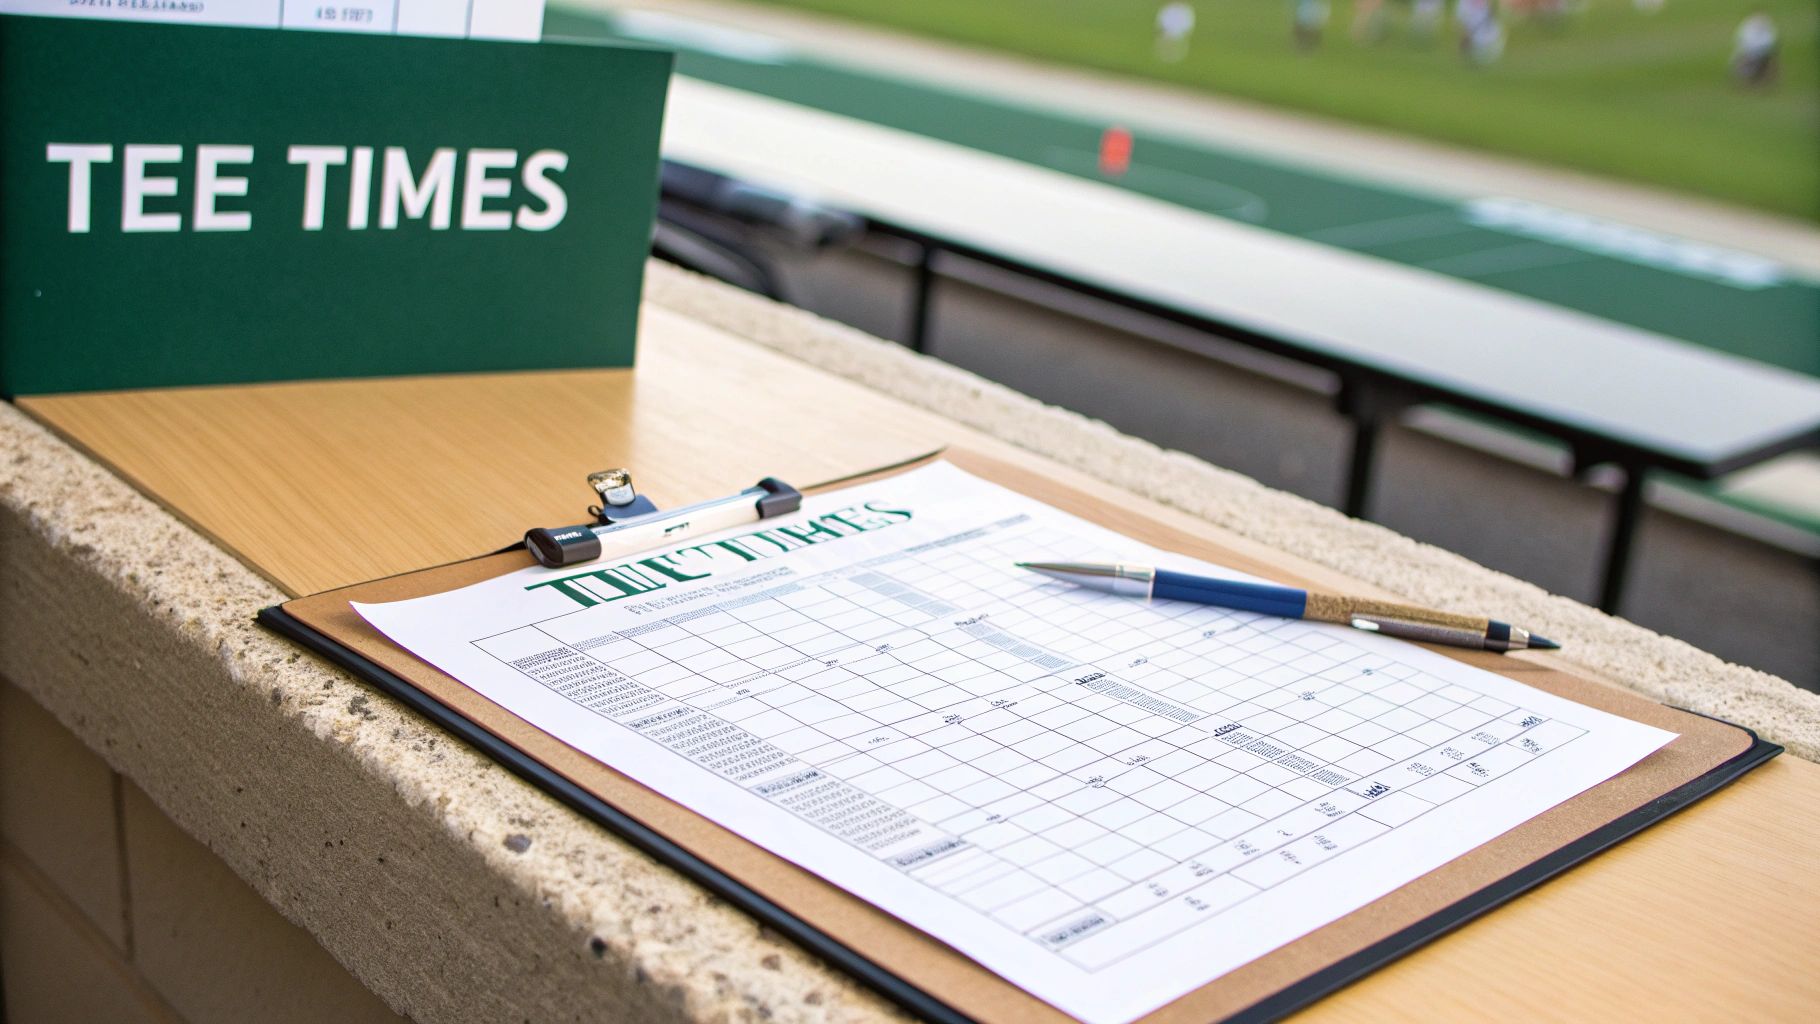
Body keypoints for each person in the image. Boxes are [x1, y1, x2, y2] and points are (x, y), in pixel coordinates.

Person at [1731, 9, 1779, 86]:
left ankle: (1762, 79)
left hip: (1763, 55)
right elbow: (1741, 40)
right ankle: (1746, 79)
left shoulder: (1768, 30)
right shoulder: (1747, 27)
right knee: (1739, 62)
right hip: (1747, 53)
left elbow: (1771, 43)